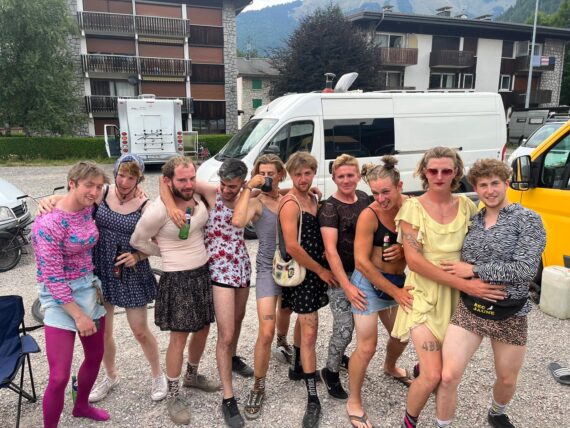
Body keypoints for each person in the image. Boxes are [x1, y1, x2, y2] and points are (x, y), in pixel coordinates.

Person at [392, 147, 507, 428]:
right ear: (423, 172)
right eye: (433, 170)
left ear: (456, 172)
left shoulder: (467, 207)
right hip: (423, 296)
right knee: (432, 375)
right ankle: (409, 422)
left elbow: (484, 244)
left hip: (457, 300)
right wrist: (468, 286)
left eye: (447, 170)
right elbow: (415, 262)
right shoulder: (412, 208)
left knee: (446, 373)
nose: (440, 176)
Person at [39, 154, 169, 403]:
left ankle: (157, 375)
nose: (124, 181)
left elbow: (161, 242)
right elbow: (72, 199)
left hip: (130, 272)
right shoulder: (102, 191)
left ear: (139, 179)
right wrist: (49, 200)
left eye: (132, 177)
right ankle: (110, 375)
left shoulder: (146, 205)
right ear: (116, 172)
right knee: (104, 331)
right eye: (121, 174)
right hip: (99, 270)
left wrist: (139, 256)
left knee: (139, 330)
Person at [435, 159, 546, 428]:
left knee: (507, 378)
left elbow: (525, 269)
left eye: (495, 183)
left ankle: (497, 412)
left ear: (506, 183)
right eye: (483, 185)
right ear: (476, 188)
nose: (490, 190)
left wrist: (473, 269)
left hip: (511, 312)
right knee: (448, 376)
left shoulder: (528, 220)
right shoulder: (473, 220)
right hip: (470, 308)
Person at [161, 157, 253, 428]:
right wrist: (168, 205)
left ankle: (233, 358)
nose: (226, 189)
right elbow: (164, 180)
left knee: (237, 321)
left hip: (241, 266)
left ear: (242, 184)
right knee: (224, 334)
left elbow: (274, 196)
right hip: (217, 268)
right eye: (224, 184)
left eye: (233, 186)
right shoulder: (212, 192)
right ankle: (228, 397)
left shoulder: (248, 196)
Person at [131, 156, 215, 425]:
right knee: (179, 338)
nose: (189, 183)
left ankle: (192, 375)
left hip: (202, 273)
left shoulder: (196, 195)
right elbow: (137, 240)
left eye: (191, 178)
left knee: (203, 328)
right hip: (177, 278)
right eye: (182, 179)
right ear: (169, 181)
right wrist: (163, 253)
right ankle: (173, 394)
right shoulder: (158, 210)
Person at [32, 162, 110, 428]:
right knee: (58, 376)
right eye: (89, 185)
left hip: (89, 288)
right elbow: (52, 276)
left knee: (95, 356)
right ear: (72, 183)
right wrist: (78, 317)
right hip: (58, 298)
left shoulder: (89, 208)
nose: (95, 191)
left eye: (99, 186)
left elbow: (123, 191)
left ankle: (81, 406)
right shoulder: (48, 222)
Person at [347, 156, 414, 428]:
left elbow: (423, 246)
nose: (380, 198)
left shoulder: (411, 207)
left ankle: (389, 366)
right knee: (366, 346)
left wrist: (405, 250)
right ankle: (354, 400)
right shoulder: (369, 214)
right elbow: (362, 262)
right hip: (368, 285)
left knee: (402, 335)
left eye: (385, 191)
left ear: (400, 186)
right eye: (375, 192)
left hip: (395, 281)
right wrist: (395, 293)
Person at [231, 154, 296, 420]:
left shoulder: (290, 198)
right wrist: (248, 187)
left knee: (288, 312)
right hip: (268, 269)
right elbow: (237, 221)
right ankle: (259, 384)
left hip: (293, 268)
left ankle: (284, 340)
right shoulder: (256, 202)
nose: (268, 177)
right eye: (263, 173)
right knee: (265, 330)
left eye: (272, 173)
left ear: (281, 174)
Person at [279, 151, 337, 428]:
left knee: (306, 322)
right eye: (298, 174)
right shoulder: (290, 204)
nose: (303, 179)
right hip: (305, 273)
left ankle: (298, 366)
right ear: (291, 175)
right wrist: (321, 270)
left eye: (307, 173)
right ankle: (312, 396)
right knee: (311, 329)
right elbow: (292, 246)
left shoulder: (312, 198)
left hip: (313, 272)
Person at [317, 154, 370, 400]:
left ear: (358, 176)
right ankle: (330, 371)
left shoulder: (365, 199)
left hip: (365, 273)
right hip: (341, 277)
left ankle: (341, 355)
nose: (346, 180)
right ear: (334, 178)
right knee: (345, 327)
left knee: (363, 328)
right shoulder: (330, 207)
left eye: (351, 175)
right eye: (341, 176)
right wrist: (346, 285)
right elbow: (330, 251)